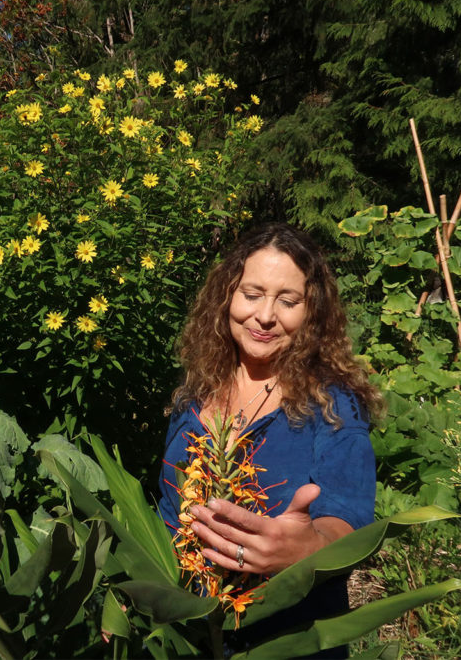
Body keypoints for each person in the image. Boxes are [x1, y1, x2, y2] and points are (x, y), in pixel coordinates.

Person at [157, 222, 383, 657]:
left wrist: (312, 547)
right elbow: (168, 510)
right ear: (227, 298)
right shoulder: (194, 397)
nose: (264, 316)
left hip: (286, 641)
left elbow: (348, 521)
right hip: (188, 638)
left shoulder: (333, 404)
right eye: (252, 294)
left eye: (288, 301)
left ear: (312, 311)